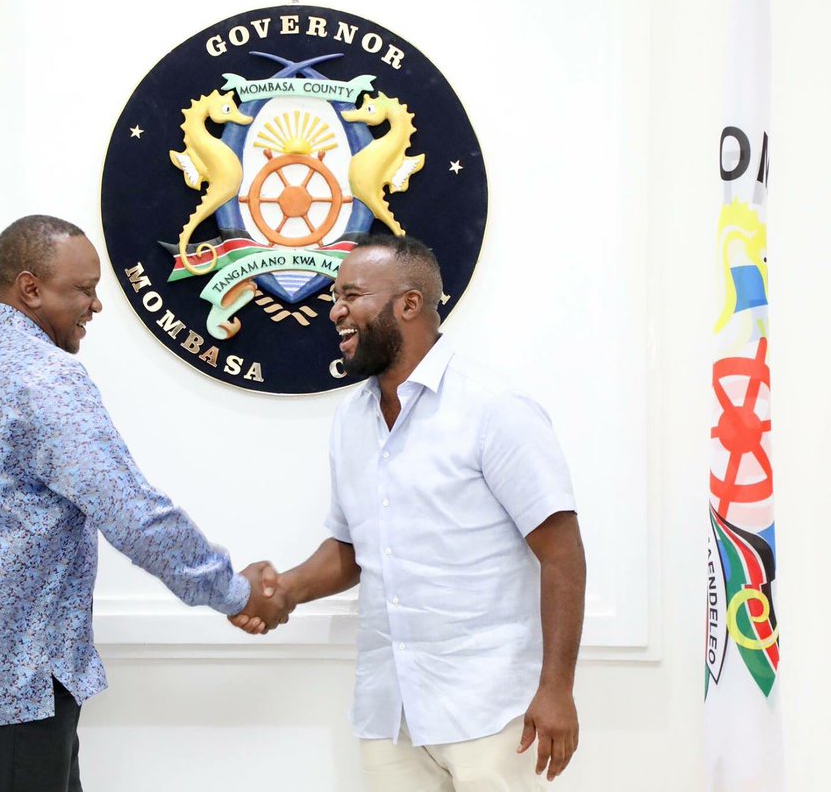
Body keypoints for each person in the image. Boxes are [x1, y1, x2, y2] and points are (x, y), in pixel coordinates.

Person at [0, 214, 292, 792]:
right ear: (29, 288)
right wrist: (231, 589)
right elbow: (133, 513)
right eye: (83, 290)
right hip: (16, 676)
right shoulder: (44, 377)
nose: (96, 306)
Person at [233, 233, 586, 790]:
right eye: (335, 297)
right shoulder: (351, 419)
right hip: (388, 709)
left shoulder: (495, 410)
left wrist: (557, 688)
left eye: (352, 295)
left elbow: (562, 553)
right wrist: (287, 590)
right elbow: (355, 548)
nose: (336, 310)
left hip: (491, 710)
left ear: (410, 304)